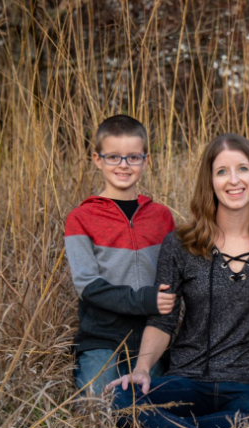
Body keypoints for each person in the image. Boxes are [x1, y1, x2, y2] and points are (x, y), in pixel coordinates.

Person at [108, 133, 249, 428]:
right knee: (120, 400)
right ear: (210, 181)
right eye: (222, 171)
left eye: (243, 169)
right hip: (188, 379)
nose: (234, 180)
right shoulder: (181, 244)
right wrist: (142, 369)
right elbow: (163, 318)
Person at [65, 115, 175, 394]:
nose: (123, 165)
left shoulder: (161, 216)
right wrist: (145, 300)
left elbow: (174, 276)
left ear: (146, 161)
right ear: (97, 159)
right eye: (113, 157)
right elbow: (88, 287)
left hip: (152, 336)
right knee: (97, 407)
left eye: (133, 157)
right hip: (102, 336)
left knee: (158, 402)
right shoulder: (82, 217)